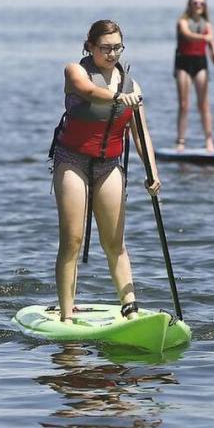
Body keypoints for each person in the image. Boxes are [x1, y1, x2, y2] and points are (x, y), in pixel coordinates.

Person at [49, 19, 161, 323]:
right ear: (90, 46)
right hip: (72, 162)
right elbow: (86, 92)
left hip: (109, 166)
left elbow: (141, 134)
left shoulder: (131, 85)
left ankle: (130, 305)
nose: (112, 54)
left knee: (115, 242)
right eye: (105, 48)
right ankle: (66, 313)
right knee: (71, 240)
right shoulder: (75, 71)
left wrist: (152, 172)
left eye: (117, 48)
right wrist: (116, 97)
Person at [173, 0, 214, 152]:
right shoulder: (182, 22)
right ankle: (181, 141)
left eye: (201, 3)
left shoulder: (207, 25)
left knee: (203, 104)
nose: (198, 6)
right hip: (183, 63)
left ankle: (209, 140)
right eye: (195, 3)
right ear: (190, 5)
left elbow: (212, 49)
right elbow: (187, 35)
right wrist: (204, 38)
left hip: (200, 64)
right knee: (184, 104)